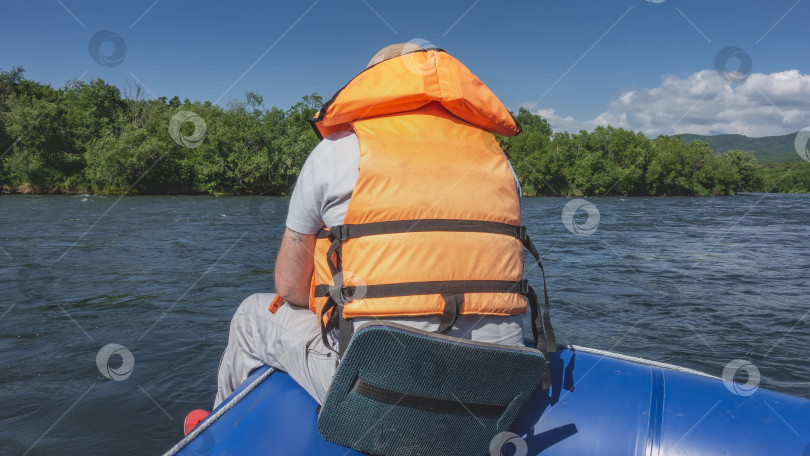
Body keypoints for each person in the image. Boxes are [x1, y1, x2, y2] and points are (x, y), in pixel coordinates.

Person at [185, 43, 531, 435]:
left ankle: (213, 429)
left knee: (251, 314)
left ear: (378, 85)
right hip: (491, 395)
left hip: (378, 400)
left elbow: (290, 288)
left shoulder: (336, 151)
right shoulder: (500, 163)